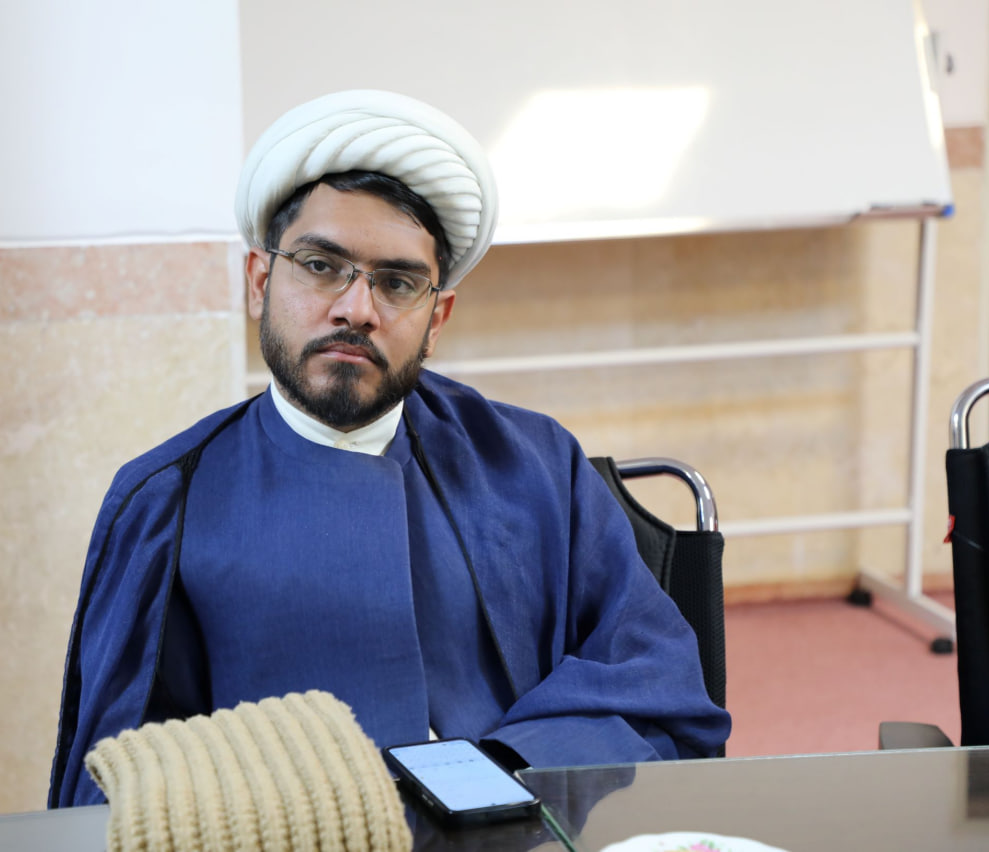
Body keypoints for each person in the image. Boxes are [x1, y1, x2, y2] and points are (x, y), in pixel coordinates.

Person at [49, 90, 730, 807]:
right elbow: (114, 785)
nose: (356, 309)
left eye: (398, 283)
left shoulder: (534, 463)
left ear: (436, 319)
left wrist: (497, 769)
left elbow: (660, 690)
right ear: (260, 282)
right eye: (320, 265)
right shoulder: (166, 501)